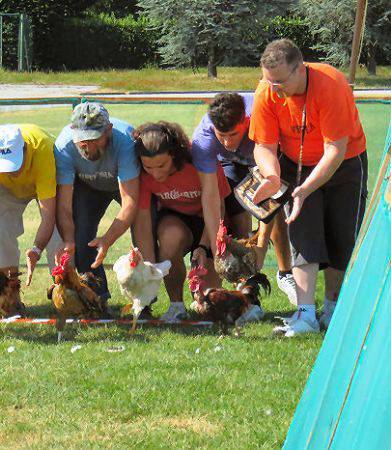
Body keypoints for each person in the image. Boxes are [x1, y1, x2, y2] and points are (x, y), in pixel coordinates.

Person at [250, 39, 368, 336]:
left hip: (344, 164)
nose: (274, 89)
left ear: (300, 69)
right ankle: (305, 314)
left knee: (341, 235)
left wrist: (304, 190)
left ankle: (331, 307)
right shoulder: (267, 90)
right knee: (302, 232)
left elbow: (335, 151)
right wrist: (272, 176)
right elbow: (263, 145)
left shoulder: (331, 84)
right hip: (294, 163)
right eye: (268, 81)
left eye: (279, 82)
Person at [192, 92, 297, 303]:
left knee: (275, 216)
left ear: (246, 121)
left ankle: (285, 273)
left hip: (268, 159)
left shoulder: (263, 119)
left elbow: (270, 200)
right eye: (221, 135)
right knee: (237, 215)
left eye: (233, 134)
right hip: (229, 164)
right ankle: (247, 294)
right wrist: (215, 246)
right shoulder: (203, 139)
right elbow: (211, 196)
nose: (227, 141)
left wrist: (261, 244)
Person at [132, 122, 229, 322]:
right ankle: (176, 305)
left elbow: (218, 208)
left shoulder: (200, 158)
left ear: (175, 154)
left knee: (207, 304)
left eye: (161, 165)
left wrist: (203, 246)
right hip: (175, 219)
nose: (156, 173)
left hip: (208, 220)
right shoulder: (141, 174)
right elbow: (142, 222)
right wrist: (151, 268)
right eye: (148, 167)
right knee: (170, 237)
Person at [54, 102, 140, 304]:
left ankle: (144, 302)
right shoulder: (64, 145)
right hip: (89, 186)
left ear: (108, 130)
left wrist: (107, 239)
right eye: (81, 139)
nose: (86, 145)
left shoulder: (125, 141)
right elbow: (64, 207)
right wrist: (69, 241)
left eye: (93, 139)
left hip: (125, 183)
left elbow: (130, 201)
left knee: (145, 230)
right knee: (81, 237)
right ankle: (96, 299)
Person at [0, 124, 61, 286]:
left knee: (57, 233)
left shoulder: (44, 150)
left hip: (43, 180)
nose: (9, 171)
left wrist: (36, 250)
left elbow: (50, 217)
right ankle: (7, 288)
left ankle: (62, 287)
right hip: (7, 189)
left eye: (14, 163)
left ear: (25, 149)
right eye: (3, 166)